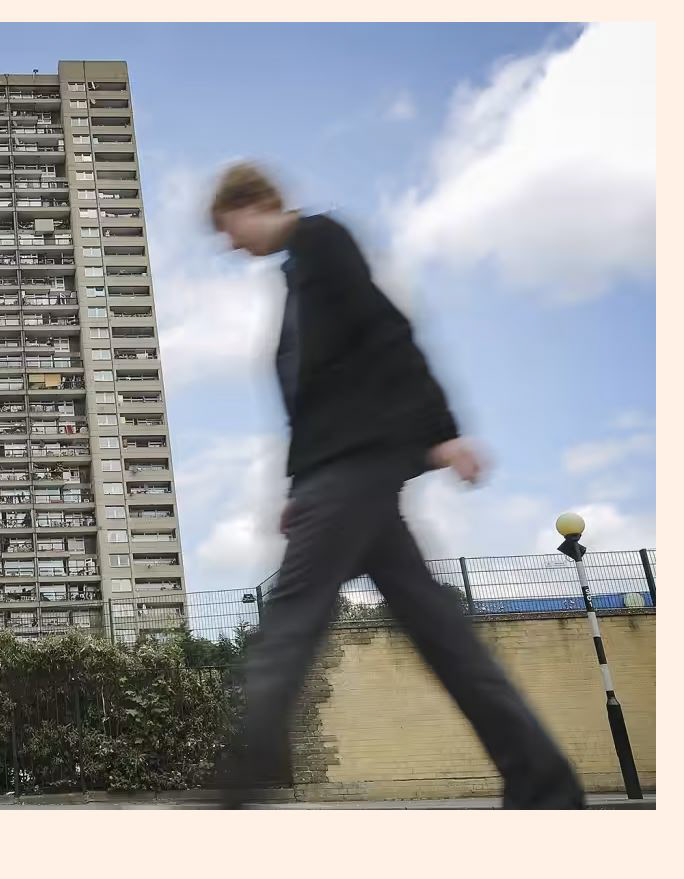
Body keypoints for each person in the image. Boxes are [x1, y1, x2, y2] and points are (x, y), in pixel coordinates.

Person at [207, 162, 584, 809]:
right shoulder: (297, 271)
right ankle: (542, 779)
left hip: (353, 469)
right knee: (441, 632)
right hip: (344, 475)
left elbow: (386, 331)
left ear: (253, 204)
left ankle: (237, 784)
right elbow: (322, 392)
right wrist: (299, 488)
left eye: (228, 228)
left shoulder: (322, 240)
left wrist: (443, 429)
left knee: (291, 618)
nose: (229, 244)